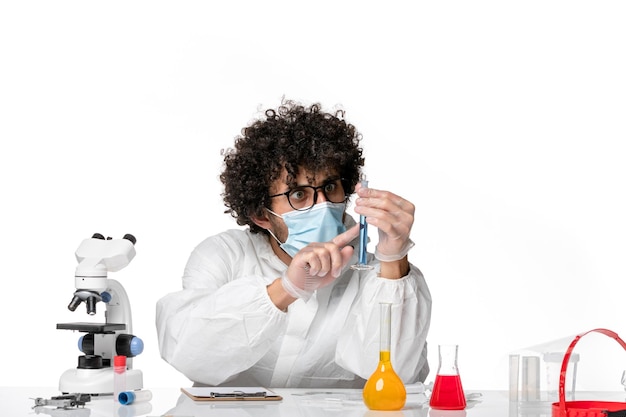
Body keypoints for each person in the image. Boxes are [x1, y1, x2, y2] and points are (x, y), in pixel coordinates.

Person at [155, 98, 431, 388]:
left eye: (329, 187)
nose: (322, 205)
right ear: (261, 214)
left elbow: (396, 377)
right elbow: (190, 354)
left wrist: (393, 259)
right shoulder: (224, 256)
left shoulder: (372, 273)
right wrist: (286, 289)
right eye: (299, 195)